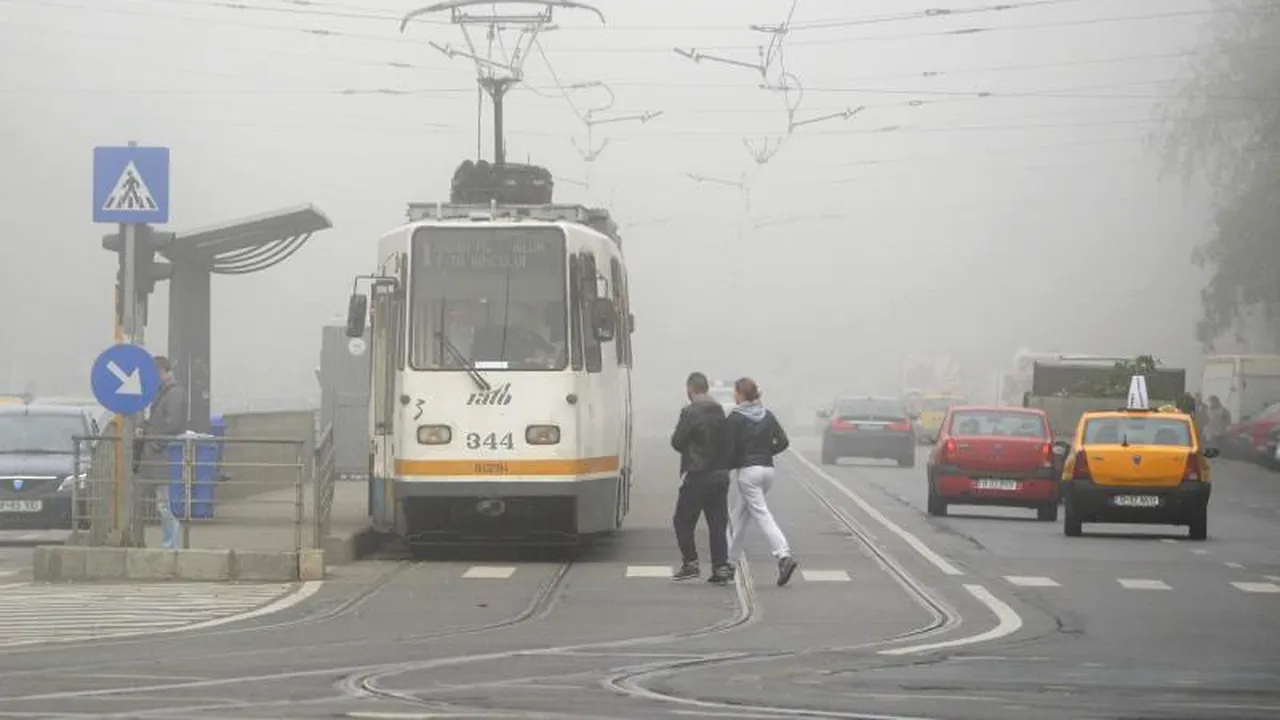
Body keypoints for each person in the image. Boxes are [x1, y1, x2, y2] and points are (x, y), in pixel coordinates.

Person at [723, 377, 798, 587]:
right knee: (739, 516)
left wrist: (726, 467)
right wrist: (766, 452)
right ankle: (729, 563)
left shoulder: (735, 418)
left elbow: (728, 449)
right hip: (767, 471)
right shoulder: (767, 415)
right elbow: (783, 442)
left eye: (735, 392)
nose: (733, 395)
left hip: (749, 473)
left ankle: (783, 555)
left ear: (740, 394)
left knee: (761, 514)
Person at [670, 371, 733, 585]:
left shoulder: (690, 412)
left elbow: (677, 442)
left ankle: (691, 563)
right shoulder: (720, 411)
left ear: (690, 389)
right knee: (717, 523)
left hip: (697, 475)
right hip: (720, 476)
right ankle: (721, 566)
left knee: (683, 520)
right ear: (707, 388)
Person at [139, 356, 189, 550]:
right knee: (164, 504)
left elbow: (173, 424)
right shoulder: (165, 392)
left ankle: (171, 545)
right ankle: (169, 543)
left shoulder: (173, 393)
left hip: (163, 457)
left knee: (165, 504)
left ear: (161, 371)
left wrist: (154, 440)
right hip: (161, 456)